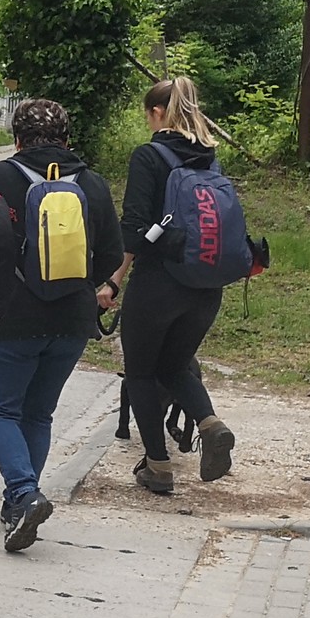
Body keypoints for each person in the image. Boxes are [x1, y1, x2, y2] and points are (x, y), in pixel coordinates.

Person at [0, 99, 123, 551]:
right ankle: (18, 504)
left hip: (12, 315)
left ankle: (24, 494)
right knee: (38, 414)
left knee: (0, 411)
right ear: (67, 138)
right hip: (73, 319)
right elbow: (112, 256)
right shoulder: (92, 183)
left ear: (16, 138)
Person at [113, 75, 238, 497]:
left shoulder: (149, 156)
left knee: (141, 372)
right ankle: (210, 424)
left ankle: (159, 466)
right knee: (175, 365)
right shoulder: (210, 160)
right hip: (207, 285)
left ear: (157, 113)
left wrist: (115, 275)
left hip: (159, 284)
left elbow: (133, 229)